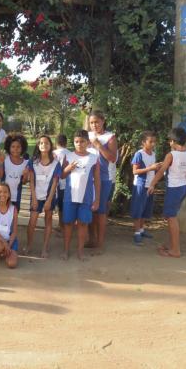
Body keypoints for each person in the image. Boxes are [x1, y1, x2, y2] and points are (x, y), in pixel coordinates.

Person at [148, 128, 186, 258]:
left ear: (173, 141)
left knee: (171, 218)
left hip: (174, 189)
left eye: (170, 141)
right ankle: (172, 245)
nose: (169, 143)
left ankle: (175, 250)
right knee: (170, 216)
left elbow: (160, 172)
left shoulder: (171, 155)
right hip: (183, 188)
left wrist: (152, 184)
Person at [61, 130, 100, 261]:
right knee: (68, 223)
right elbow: (62, 174)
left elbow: (97, 180)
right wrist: (67, 169)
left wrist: (97, 199)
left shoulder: (94, 158)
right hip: (69, 196)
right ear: (73, 142)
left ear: (88, 143)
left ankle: (80, 251)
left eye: (82, 141)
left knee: (83, 223)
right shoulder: (69, 156)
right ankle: (66, 250)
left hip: (86, 197)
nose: (79, 144)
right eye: (77, 141)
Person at [26, 135, 61, 258]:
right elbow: (31, 181)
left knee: (48, 221)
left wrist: (49, 200)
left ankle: (44, 248)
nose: (43, 145)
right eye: (41, 143)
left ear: (51, 146)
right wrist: (34, 199)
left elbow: (55, 182)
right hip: (36, 196)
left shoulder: (56, 163)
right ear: (38, 145)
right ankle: (29, 245)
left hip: (49, 197)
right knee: (32, 221)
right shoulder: (33, 161)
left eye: (46, 143)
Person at [87, 111, 117, 255]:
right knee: (91, 209)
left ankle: (100, 243)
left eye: (97, 122)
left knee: (101, 211)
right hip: (88, 177)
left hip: (105, 178)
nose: (94, 125)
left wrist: (98, 145)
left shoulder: (110, 137)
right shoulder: (87, 135)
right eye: (92, 123)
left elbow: (112, 158)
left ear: (103, 121)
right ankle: (91, 239)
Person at [130, 131, 162, 245]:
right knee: (138, 209)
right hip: (140, 185)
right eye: (150, 141)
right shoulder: (139, 154)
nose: (153, 144)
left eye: (154, 142)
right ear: (143, 142)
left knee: (145, 209)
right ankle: (137, 233)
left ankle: (142, 230)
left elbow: (152, 169)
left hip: (150, 185)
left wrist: (157, 168)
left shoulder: (153, 154)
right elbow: (135, 171)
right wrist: (150, 168)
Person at [0, 183, 19, 268]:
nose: (2, 194)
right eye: (0, 192)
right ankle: (1, 252)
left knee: (12, 264)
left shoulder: (14, 209)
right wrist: (4, 243)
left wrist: (8, 245)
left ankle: (7, 252)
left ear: (9, 194)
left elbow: (14, 231)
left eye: (5, 192)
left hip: (10, 240)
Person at [0, 132, 29, 211]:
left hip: (16, 196)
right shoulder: (4, 159)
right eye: (13, 146)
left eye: (18, 147)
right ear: (8, 147)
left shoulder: (26, 163)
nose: (15, 149)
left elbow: (24, 182)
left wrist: (25, 175)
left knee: (14, 216)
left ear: (23, 148)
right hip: (2, 195)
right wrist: (0, 163)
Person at [53, 134, 71, 232]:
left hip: (56, 183)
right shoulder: (70, 153)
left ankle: (61, 225)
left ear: (56, 143)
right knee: (65, 204)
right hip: (67, 183)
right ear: (66, 143)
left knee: (60, 205)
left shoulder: (53, 153)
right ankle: (66, 225)